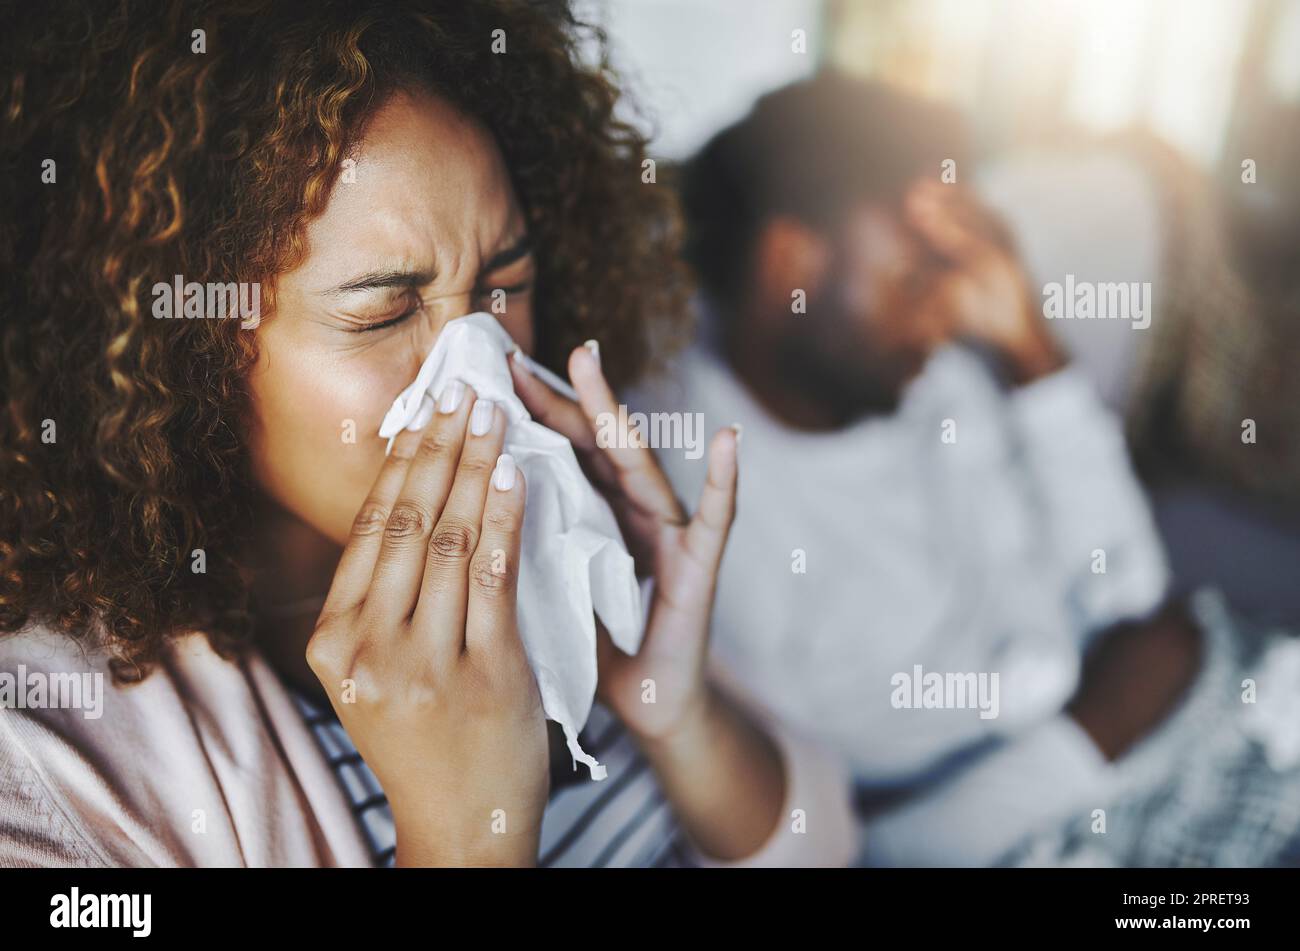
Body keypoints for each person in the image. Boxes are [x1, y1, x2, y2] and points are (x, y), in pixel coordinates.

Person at [0, 0, 855, 868]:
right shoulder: (51, 763)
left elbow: (826, 852)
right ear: (184, 352)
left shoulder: (562, 571)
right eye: (384, 310)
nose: (480, 372)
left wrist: (675, 707)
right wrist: (464, 835)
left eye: (503, 282)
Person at [634, 72, 1203, 864]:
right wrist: (1097, 730)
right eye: (913, 278)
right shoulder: (689, 501)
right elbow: (862, 845)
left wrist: (1033, 354)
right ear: (790, 263)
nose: (943, 314)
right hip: (1072, 810)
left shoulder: (927, 379)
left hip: (1183, 711)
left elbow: (1134, 592)